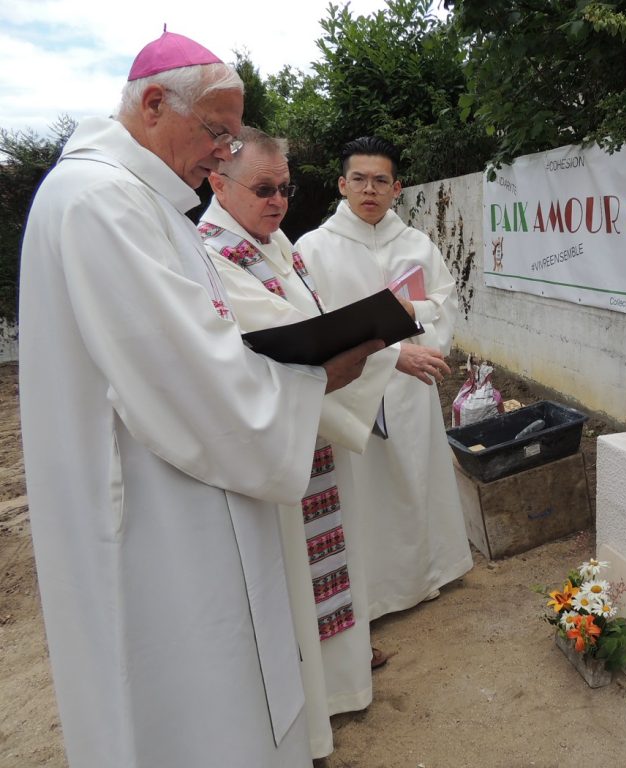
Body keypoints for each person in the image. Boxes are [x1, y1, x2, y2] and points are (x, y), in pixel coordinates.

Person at [18, 30, 381, 768]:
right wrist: (318, 375)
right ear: (153, 104)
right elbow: (190, 377)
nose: (225, 153)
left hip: (182, 494)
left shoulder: (140, 201)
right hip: (154, 522)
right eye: (218, 133)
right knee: (182, 710)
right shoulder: (100, 203)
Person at [197, 127, 447, 760]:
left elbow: (419, 307)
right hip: (300, 425)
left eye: (284, 187)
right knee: (305, 569)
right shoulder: (216, 254)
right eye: (263, 188)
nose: (278, 199)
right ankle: (317, 704)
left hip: (342, 412)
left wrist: (396, 342)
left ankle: (346, 673)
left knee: (347, 548)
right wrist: (387, 349)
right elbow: (292, 332)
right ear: (217, 182)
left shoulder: (277, 243)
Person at [297, 136, 473, 622]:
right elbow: (315, 323)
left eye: (380, 180)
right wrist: (392, 348)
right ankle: (374, 596)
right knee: (365, 493)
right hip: (354, 392)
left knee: (417, 477)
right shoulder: (313, 249)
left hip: (412, 388)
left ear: (397, 188)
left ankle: (429, 575)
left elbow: (445, 302)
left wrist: (410, 312)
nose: (369, 190)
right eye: (359, 179)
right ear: (341, 184)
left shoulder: (417, 245)